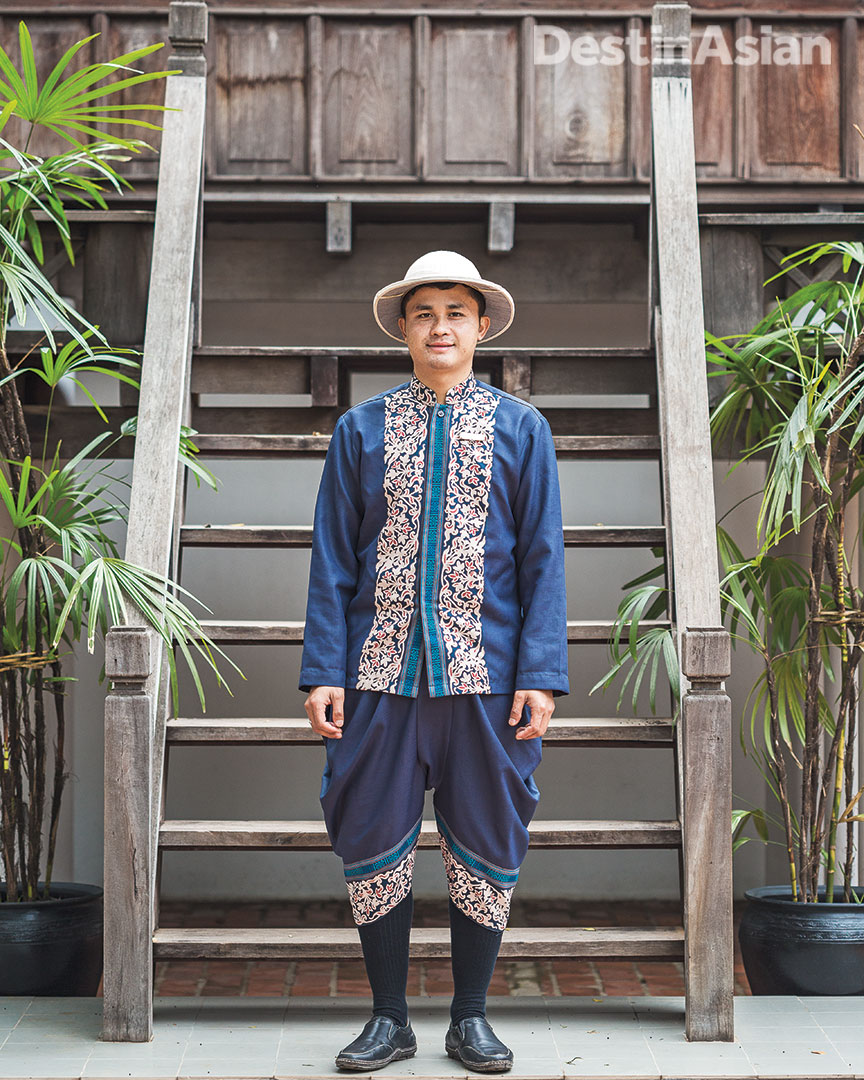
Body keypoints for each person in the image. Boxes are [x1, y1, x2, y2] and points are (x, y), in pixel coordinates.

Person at [299, 249, 569, 1073]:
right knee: (373, 835)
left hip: (486, 679)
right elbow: (333, 561)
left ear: (481, 326)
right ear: (404, 331)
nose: (441, 326)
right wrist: (323, 671)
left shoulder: (524, 430)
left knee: (486, 838)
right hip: (379, 678)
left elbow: (542, 562)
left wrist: (541, 673)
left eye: (456, 311)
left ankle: (471, 1018)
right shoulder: (362, 430)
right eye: (425, 313)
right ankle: (388, 1018)